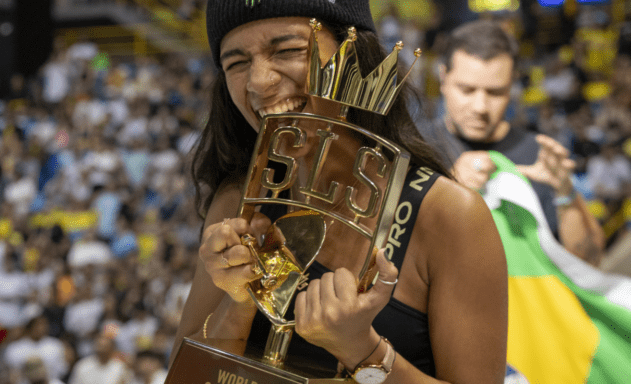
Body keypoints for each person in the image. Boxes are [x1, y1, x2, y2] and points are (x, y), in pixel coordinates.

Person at [173, 0, 508, 383]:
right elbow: (186, 376)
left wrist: (362, 351)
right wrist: (237, 303)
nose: (258, 81)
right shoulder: (238, 203)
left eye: (288, 50)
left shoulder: (447, 214)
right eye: (236, 63)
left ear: (353, 58)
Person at [429, 20, 605, 264]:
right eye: (467, 90)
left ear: (512, 86)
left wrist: (565, 192)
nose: (480, 107)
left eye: (495, 92)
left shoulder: (539, 155)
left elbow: (589, 263)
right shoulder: (414, 147)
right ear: (443, 78)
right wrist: (447, 190)